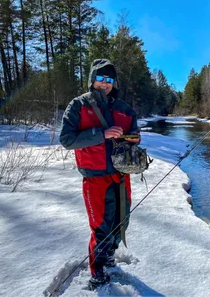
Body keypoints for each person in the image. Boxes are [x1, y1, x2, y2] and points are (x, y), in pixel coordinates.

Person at [59, 59, 140, 290]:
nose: (105, 84)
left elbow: (134, 133)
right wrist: (102, 134)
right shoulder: (78, 105)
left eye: (110, 80)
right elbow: (66, 139)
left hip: (122, 175)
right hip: (95, 177)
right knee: (100, 227)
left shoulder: (125, 109)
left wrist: (134, 139)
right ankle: (97, 272)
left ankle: (110, 257)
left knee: (121, 221)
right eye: (101, 79)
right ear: (92, 80)